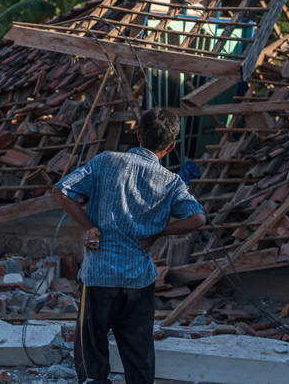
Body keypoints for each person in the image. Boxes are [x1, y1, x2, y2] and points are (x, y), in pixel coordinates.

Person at [53, 107, 206, 384]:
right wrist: (160, 232)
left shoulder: (105, 161)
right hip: (139, 280)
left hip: (100, 276)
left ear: (137, 135)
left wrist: (89, 225)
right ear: (171, 147)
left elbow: (62, 191)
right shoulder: (171, 182)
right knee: (139, 359)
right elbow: (197, 218)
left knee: (91, 360)